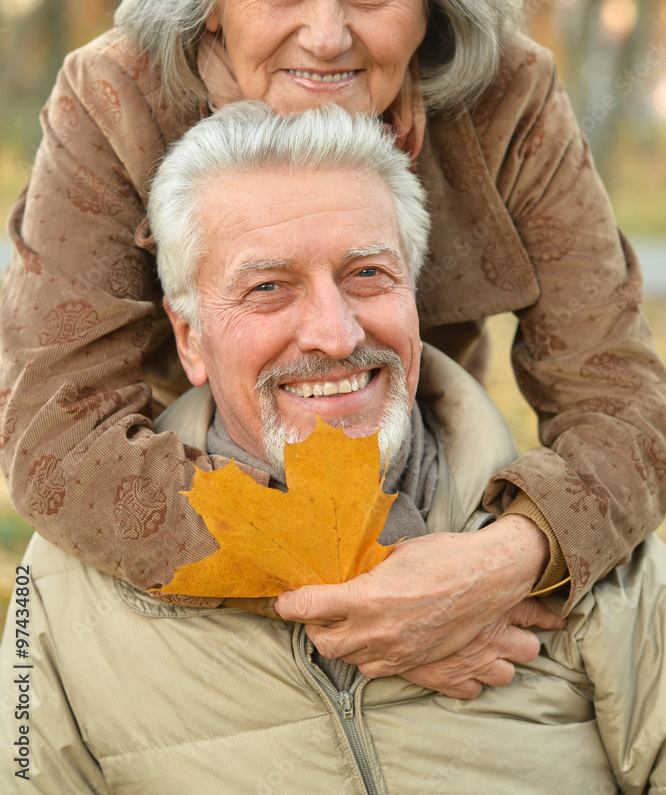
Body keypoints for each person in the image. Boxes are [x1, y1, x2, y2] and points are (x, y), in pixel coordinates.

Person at [1, 0, 665, 687]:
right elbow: (56, 439)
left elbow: (624, 405)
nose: (325, 34)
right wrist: (374, 590)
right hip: (190, 503)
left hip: (421, 471)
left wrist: (496, 564)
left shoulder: (508, 99)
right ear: (209, 1)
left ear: (431, 5)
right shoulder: (111, 100)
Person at [1, 104, 664, 795]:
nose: (336, 334)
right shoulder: (59, 593)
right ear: (191, 338)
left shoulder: (595, 556)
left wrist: (512, 560)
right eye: (268, 288)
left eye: (368, 275)